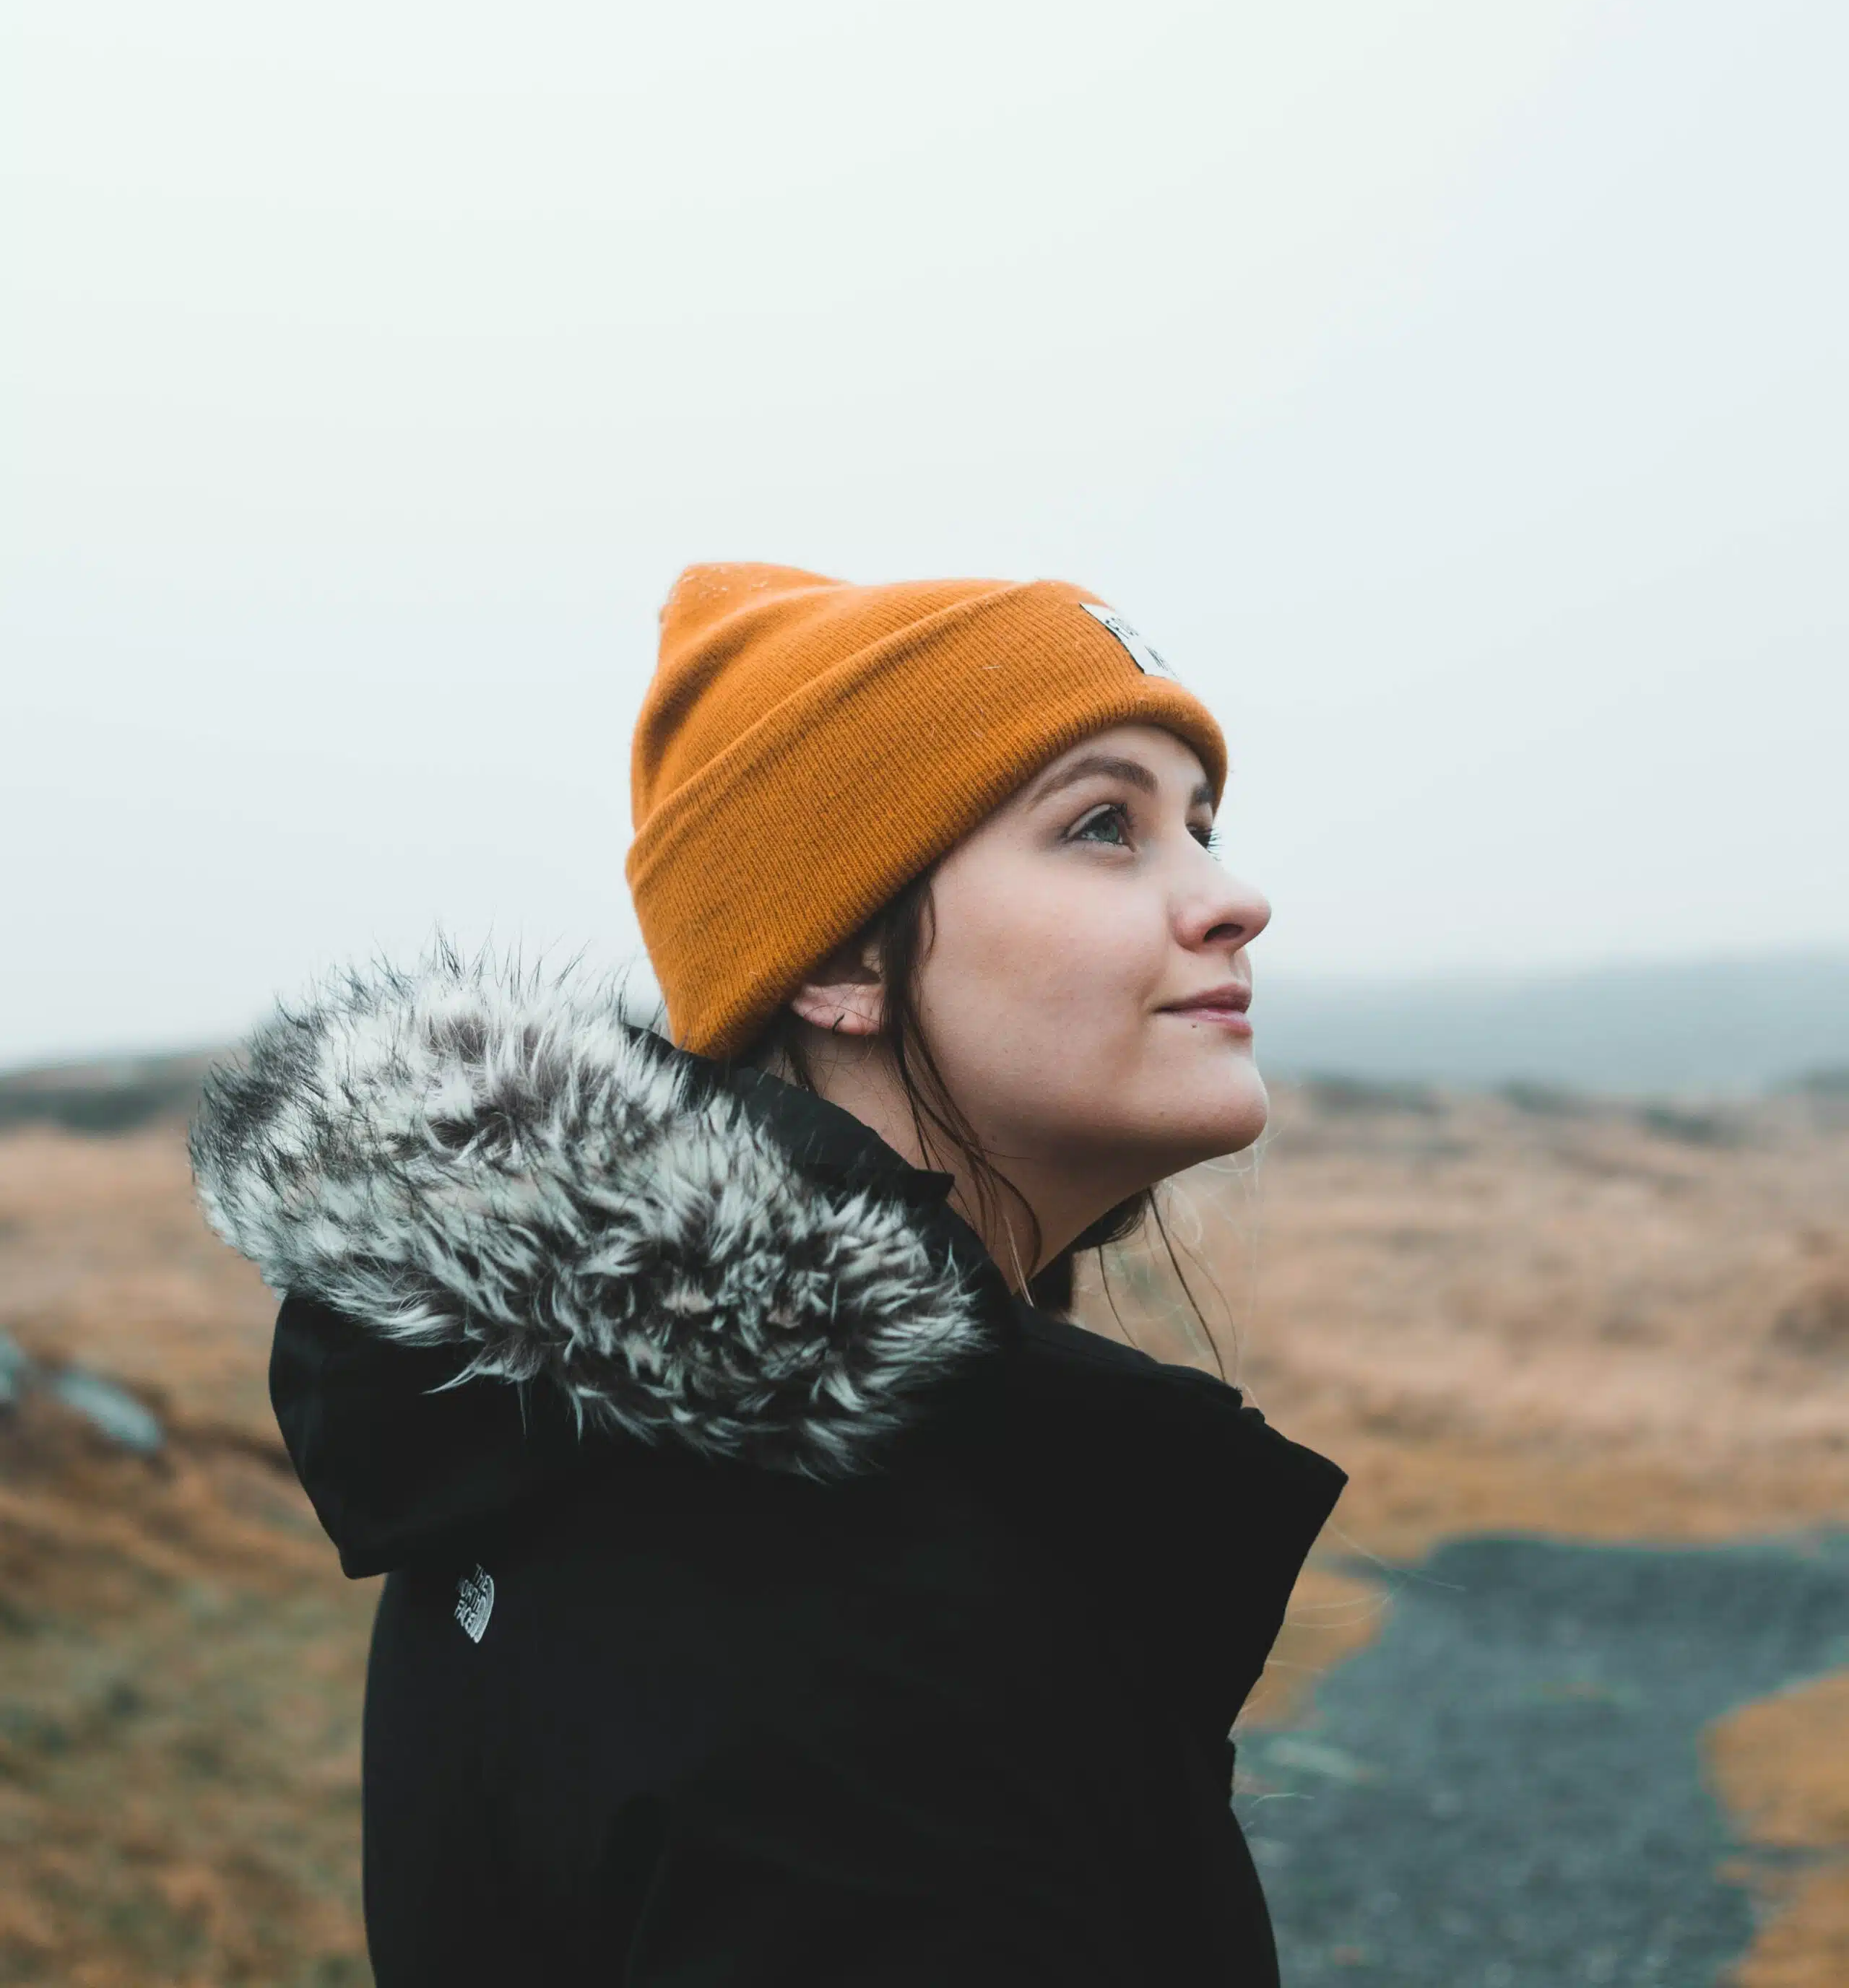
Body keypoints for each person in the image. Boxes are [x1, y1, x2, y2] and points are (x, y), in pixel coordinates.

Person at [191, 562, 1346, 1986]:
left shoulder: (558, 1446)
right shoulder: (863, 1620)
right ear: (844, 958)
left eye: (1203, 825)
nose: (1232, 899)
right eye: (1104, 825)